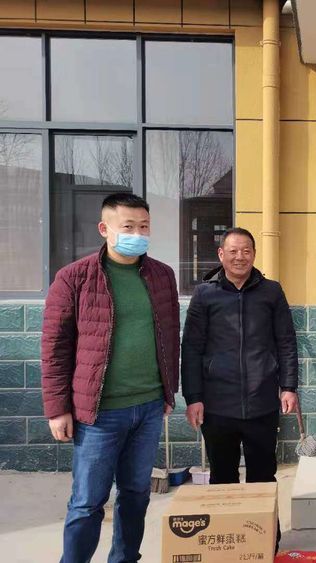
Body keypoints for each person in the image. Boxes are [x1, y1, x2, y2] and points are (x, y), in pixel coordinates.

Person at [42, 193, 180, 563]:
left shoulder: (162, 276)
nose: (138, 234)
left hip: (148, 408)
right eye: (128, 227)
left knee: (136, 495)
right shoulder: (74, 278)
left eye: (144, 226)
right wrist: (57, 408)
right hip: (99, 413)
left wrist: (169, 390)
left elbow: (169, 337)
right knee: (88, 501)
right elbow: (54, 347)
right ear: (105, 229)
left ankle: (124, 558)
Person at [181, 227, 298, 547]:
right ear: (221, 255)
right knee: (223, 480)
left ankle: (265, 545)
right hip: (218, 405)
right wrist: (193, 397)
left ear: (254, 254)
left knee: (263, 478)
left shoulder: (271, 292)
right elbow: (191, 348)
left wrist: (288, 386)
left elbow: (286, 342)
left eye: (246, 251)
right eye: (233, 251)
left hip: (262, 402)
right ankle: (228, 546)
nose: (239, 257)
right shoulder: (205, 294)